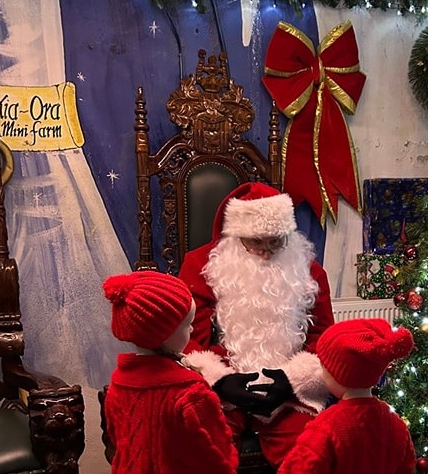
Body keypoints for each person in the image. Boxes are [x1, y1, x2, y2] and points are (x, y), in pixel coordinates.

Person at [180, 182, 335, 467]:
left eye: (275, 241)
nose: (266, 252)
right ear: (237, 236)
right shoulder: (202, 265)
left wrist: (291, 382)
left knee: (310, 454)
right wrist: (221, 381)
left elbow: (323, 338)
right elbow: (186, 340)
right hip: (224, 383)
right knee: (203, 447)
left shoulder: (309, 271)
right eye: (255, 242)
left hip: (287, 385)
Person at [102, 271, 238, 474]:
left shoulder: (118, 384)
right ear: (164, 334)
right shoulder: (191, 392)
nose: (191, 330)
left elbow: (118, 440)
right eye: (187, 325)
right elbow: (217, 453)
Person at [278, 318, 416, 473]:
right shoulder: (396, 424)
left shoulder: (326, 427)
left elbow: (296, 469)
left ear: (337, 374)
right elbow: (407, 467)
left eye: (323, 367)